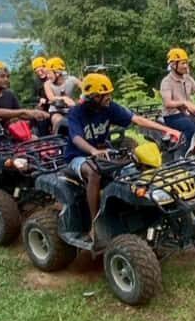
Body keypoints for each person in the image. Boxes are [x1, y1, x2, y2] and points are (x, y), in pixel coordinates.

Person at [65, 73, 181, 234]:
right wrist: (93, 151)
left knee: (135, 163)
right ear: (93, 97)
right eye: (104, 95)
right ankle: (95, 223)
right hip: (78, 156)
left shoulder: (109, 107)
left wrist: (168, 130)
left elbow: (137, 119)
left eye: (109, 94)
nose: (108, 97)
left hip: (104, 151)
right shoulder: (76, 113)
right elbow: (76, 138)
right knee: (93, 172)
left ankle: (141, 210)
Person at [0, 61, 49, 175]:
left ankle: (34, 173)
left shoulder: (9, 94)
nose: (6, 79)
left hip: (7, 134)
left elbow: (19, 115)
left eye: (8, 76)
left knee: (34, 139)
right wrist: (25, 112)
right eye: (2, 76)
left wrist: (35, 114)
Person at [43, 56, 80, 133]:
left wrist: (81, 100)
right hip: (56, 111)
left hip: (71, 110)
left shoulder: (71, 80)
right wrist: (64, 99)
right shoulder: (47, 84)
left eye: (49, 73)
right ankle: (56, 139)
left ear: (57, 73)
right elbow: (51, 98)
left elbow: (85, 88)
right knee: (58, 121)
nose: (47, 76)